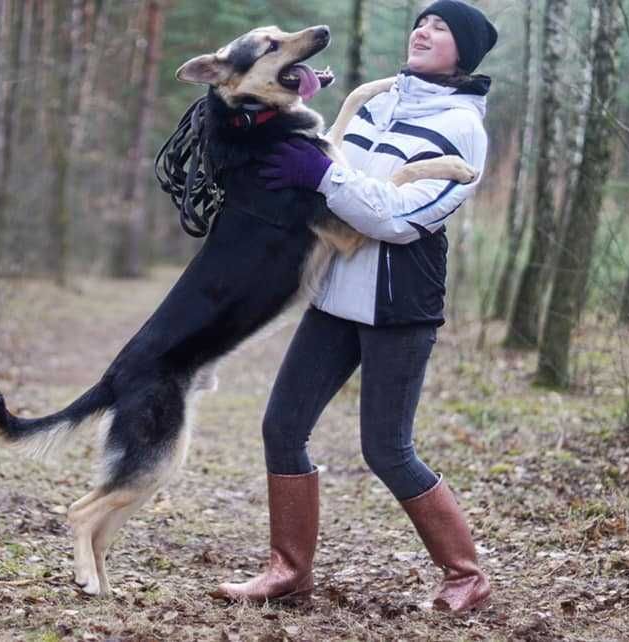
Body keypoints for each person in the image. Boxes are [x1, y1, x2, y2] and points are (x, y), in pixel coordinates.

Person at [212, 0, 498, 613]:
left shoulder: (462, 126)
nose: (424, 28)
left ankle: (465, 574)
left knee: (387, 449)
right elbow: (334, 168)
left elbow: (399, 220)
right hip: (335, 291)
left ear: (464, 52)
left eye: (442, 26)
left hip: (400, 302)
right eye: (422, 19)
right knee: (281, 427)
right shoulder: (374, 99)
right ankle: (288, 569)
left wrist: (320, 176)